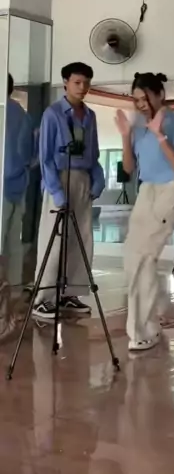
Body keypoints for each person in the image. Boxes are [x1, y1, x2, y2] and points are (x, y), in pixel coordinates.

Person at [116, 72, 174, 352]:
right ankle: (147, 325)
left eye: (144, 98)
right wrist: (126, 136)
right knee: (132, 254)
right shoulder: (138, 124)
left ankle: (143, 330)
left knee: (143, 254)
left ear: (160, 95)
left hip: (173, 189)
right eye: (136, 99)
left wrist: (160, 135)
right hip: (147, 189)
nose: (140, 104)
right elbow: (128, 168)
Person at [33, 62, 105, 319]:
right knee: (54, 239)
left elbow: (93, 154)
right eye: (77, 82)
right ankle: (44, 299)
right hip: (60, 179)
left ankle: (70, 293)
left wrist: (98, 180)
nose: (82, 87)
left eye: (86, 83)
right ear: (65, 82)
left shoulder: (90, 116)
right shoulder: (53, 114)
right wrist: (57, 192)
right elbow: (45, 158)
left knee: (81, 238)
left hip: (83, 180)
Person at [3, 74, 34, 288]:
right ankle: (14, 287)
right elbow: (30, 156)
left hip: (2, 186)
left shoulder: (3, 111)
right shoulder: (23, 114)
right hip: (19, 186)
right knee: (14, 241)